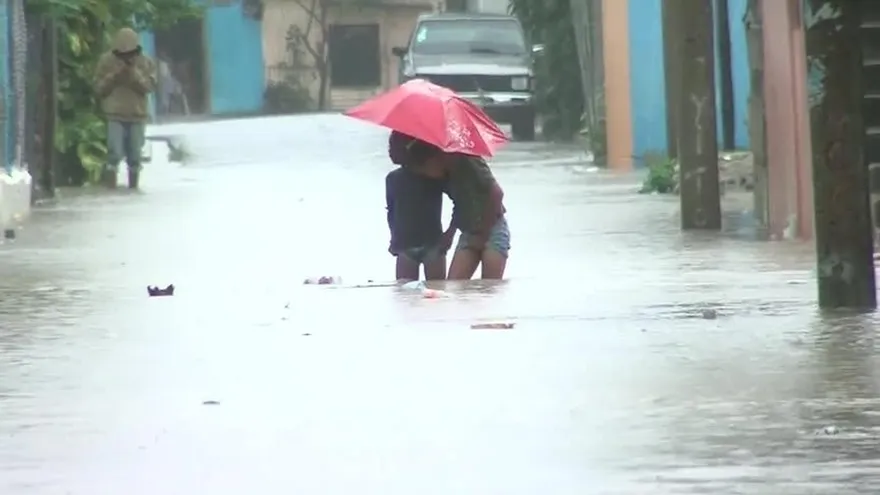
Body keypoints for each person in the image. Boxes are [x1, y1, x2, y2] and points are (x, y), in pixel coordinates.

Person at [412, 150, 509, 280]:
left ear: (434, 160)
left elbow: (497, 193)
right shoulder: (446, 176)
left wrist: (483, 234)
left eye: (424, 169)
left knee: (490, 287)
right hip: (469, 230)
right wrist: (451, 232)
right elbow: (459, 205)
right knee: (454, 286)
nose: (426, 174)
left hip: (493, 228)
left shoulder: (469, 162)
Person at [93, 27, 157, 189]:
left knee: (135, 155)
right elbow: (99, 89)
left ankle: (133, 187)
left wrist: (134, 73)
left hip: (137, 115)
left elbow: (149, 87)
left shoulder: (146, 62)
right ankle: (111, 187)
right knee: (114, 153)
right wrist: (115, 75)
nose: (127, 57)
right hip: (115, 114)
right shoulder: (106, 61)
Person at [385, 131, 454, 281]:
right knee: (406, 297)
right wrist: (393, 239)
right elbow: (391, 212)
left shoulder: (434, 177)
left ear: (407, 148)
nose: (389, 151)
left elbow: (460, 202)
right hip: (406, 245)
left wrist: (450, 233)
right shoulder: (392, 179)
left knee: (435, 295)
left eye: (393, 146)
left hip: (433, 245)